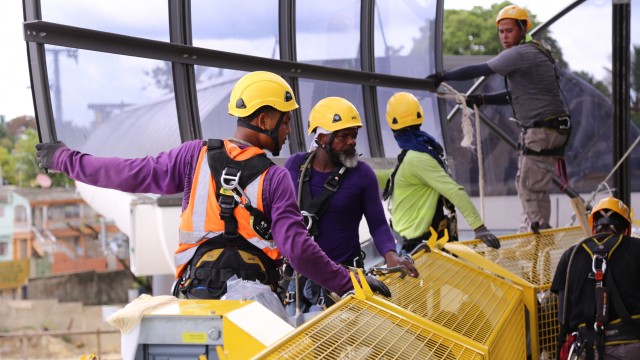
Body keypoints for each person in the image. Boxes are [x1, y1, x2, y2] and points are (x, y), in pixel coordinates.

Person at [35, 70, 390, 300]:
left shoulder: (195, 156)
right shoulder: (275, 177)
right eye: (285, 121)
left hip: (193, 295)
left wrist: (64, 159)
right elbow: (296, 248)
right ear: (264, 118)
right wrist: (350, 282)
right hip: (253, 303)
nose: (288, 131)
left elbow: (128, 172)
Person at [426, 4, 571, 234]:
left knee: (529, 187)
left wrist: (443, 75)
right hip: (549, 128)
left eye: (509, 31)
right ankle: (533, 231)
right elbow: (518, 96)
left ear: (523, 29)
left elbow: (482, 68)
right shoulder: (536, 51)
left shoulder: (519, 54)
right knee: (530, 185)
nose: (504, 36)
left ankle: (536, 237)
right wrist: (482, 99)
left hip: (542, 130)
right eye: (501, 31)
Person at [283, 96, 418, 312]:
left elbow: (378, 225)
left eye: (354, 136)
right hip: (298, 280)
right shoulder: (294, 166)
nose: (352, 142)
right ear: (322, 138)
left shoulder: (362, 175)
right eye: (344, 136)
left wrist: (390, 254)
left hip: (345, 279)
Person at [382, 92, 500, 252]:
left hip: (415, 248)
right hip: (417, 243)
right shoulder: (421, 151)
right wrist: (362, 171)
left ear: (392, 127)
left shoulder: (416, 158)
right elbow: (396, 176)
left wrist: (479, 227)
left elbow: (454, 190)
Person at [551, 197, 640, 359]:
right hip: (633, 347)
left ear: (593, 228)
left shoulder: (570, 256)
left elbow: (563, 317)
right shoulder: (637, 248)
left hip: (587, 350)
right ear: (626, 229)